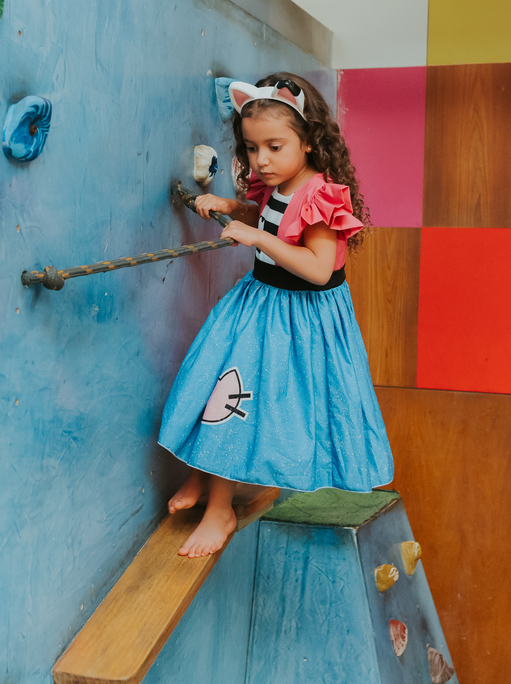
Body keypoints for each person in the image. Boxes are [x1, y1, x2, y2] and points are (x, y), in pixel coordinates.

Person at [158, 72, 394, 558]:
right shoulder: (279, 183)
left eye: (274, 146)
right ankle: (205, 479)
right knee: (219, 385)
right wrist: (232, 208)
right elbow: (267, 215)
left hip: (299, 322)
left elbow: (317, 268)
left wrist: (259, 239)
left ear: (308, 143)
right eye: (250, 148)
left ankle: (221, 508)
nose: (259, 160)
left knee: (238, 401)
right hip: (261, 303)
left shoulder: (321, 195)